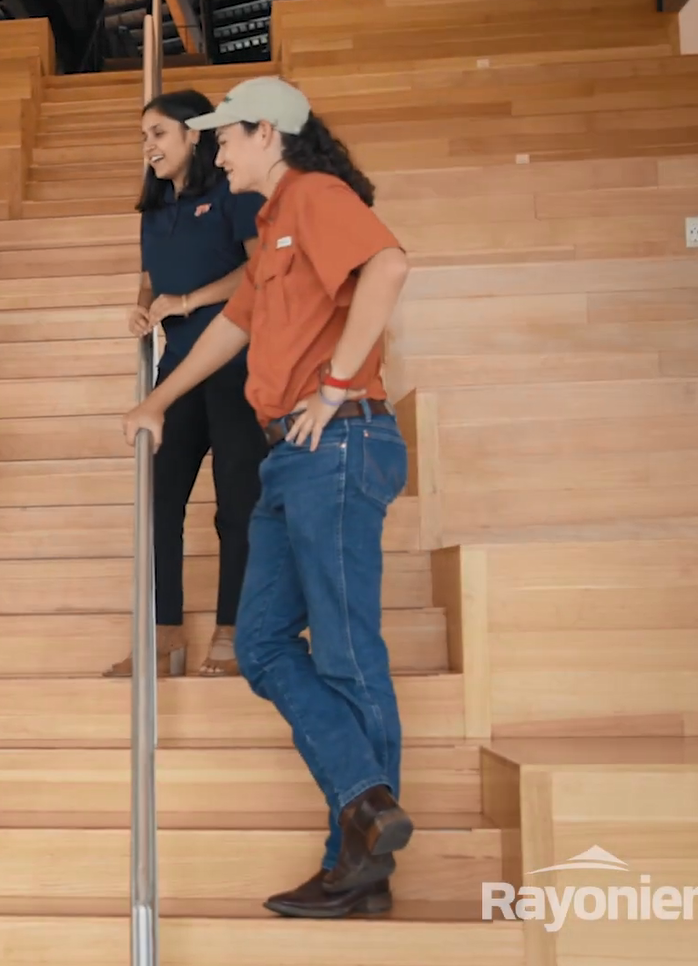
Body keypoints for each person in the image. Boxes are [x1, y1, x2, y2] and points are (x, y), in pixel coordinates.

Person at [121, 76, 415, 919]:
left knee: (346, 652)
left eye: (225, 137)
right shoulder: (271, 224)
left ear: (269, 134)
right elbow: (233, 326)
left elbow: (388, 266)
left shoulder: (315, 195)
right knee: (260, 643)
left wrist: (336, 387)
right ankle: (366, 803)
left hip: (338, 439)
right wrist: (158, 400)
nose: (216, 150)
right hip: (290, 458)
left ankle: (355, 868)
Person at [104, 89, 266, 680]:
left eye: (159, 133)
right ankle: (163, 637)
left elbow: (258, 271)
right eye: (143, 136)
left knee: (236, 503)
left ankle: (232, 632)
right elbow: (150, 278)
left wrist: (189, 300)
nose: (148, 145)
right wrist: (143, 306)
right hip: (177, 371)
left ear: (194, 134)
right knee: (160, 500)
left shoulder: (231, 194)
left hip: (235, 364)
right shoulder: (153, 210)